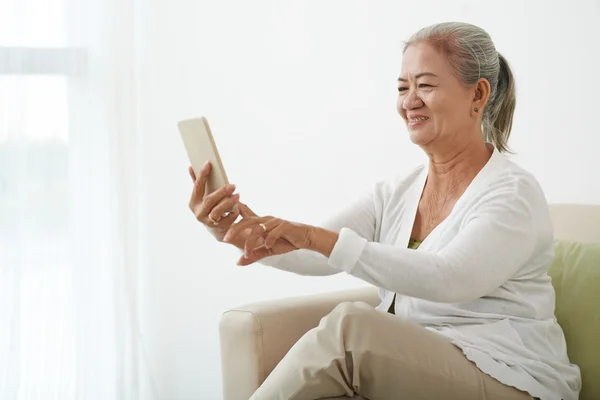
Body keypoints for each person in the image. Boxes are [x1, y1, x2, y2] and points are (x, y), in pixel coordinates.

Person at [188, 22, 581, 400]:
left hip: (510, 378)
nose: (409, 101)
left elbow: (450, 278)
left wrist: (316, 238)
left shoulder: (512, 194)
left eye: (425, 85)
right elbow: (314, 256)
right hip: (427, 366)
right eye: (402, 87)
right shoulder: (398, 191)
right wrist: (237, 232)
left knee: (351, 328)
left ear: (478, 95)